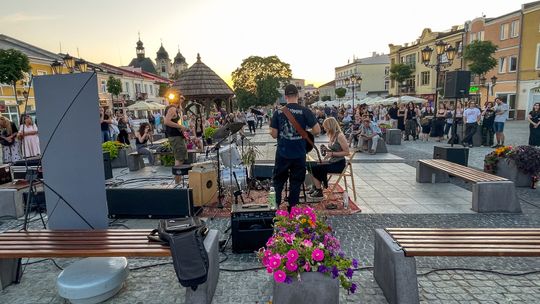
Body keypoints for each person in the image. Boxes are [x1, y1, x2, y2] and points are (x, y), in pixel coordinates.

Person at [270, 84, 320, 211]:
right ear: (297, 96)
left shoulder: (278, 112)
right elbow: (317, 130)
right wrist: (304, 133)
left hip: (283, 152)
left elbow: (274, 134)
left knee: (278, 181)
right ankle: (292, 210)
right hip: (299, 153)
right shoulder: (305, 111)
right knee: (296, 182)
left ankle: (274, 207)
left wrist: (271, 131)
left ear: (285, 97)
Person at [307, 117, 349, 201]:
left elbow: (346, 152)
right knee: (311, 166)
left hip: (339, 164)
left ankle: (319, 191)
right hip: (333, 161)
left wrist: (332, 153)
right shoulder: (333, 135)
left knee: (316, 168)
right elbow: (335, 149)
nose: (324, 128)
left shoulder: (340, 136)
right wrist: (327, 150)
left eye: (325, 126)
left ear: (330, 126)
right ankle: (316, 187)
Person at [164, 96, 189, 183]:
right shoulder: (172, 109)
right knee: (179, 158)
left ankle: (178, 181)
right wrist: (180, 126)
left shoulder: (174, 108)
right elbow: (167, 122)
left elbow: (175, 118)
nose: (183, 101)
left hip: (176, 136)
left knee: (179, 158)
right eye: (182, 99)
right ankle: (177, 182)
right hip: (175, 137)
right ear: (178, 99)